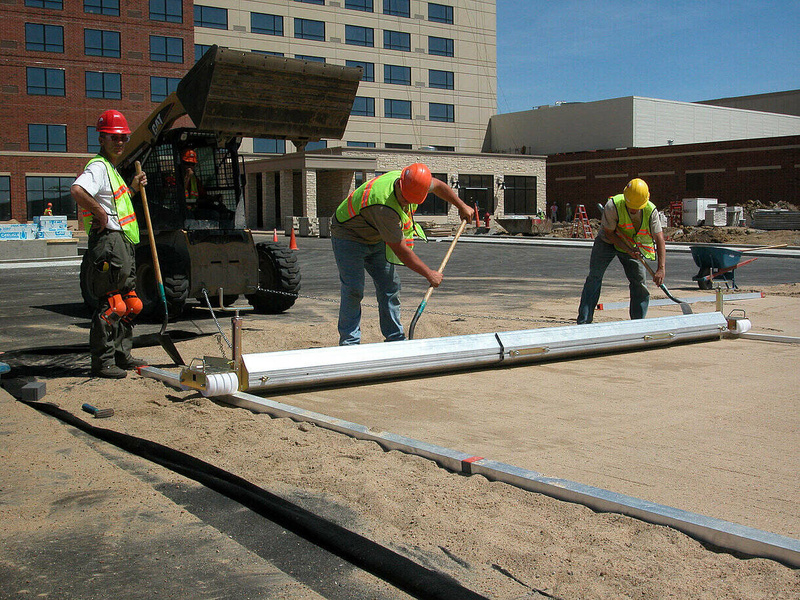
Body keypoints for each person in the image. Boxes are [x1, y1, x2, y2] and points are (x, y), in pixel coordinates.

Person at [330, 163, 473, 345]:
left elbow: (438, 185)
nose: (407, 203)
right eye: (405, 199)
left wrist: (461, 205)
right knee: (353, 289)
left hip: (376, 235)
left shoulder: (415, 181)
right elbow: (401, 250)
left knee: (390, 286)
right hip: (348, 236)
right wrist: (429, 274)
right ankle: (349, 343)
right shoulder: (382, 205)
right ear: (399, 184)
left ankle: (395, 339)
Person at [71, 109, 148, 378]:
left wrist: (134, 187)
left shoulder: (112, 171)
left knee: (131, 303)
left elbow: (117, 202)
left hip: (123, 242)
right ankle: (103, 362)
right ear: (102, 139)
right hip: (109, 243)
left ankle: (121, 355)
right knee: (113, 304)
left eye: (123, 138)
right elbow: (78, 190)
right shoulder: (98, 167)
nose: (120, 142)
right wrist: (99, 213)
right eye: (114, 138)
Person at [576, 178, 666, 324]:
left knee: (639, 281)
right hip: (607, 242)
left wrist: (661, 269)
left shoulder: (651, 211)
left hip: (632, 245)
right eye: (631, 206)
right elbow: (610, 233)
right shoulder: (613, 206)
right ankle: (584, 321)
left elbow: (659, 238)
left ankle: (638, 323)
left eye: (637, 207)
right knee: (594, 277)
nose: (633, 210)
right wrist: (628, 250)